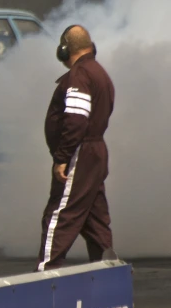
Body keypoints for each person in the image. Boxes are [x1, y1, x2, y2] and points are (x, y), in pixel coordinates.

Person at [37, 25, 115, 272]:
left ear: (64, 49)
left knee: (59, 216)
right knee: (96, 221)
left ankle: (45, 275)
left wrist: (62, 157)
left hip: (80, 153)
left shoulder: (80, 75)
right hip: (94, 153)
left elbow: (77, 118)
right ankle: (108, 271)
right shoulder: (99, 72)